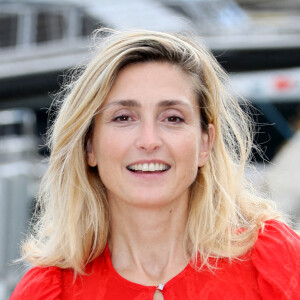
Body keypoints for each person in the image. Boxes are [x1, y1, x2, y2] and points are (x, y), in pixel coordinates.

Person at [11, 29, 300, 300]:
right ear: (89, 146)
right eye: (123, 117)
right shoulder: (50, 290)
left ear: (205, 144)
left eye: (172, 118)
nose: (149, 141)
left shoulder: (276, 262)